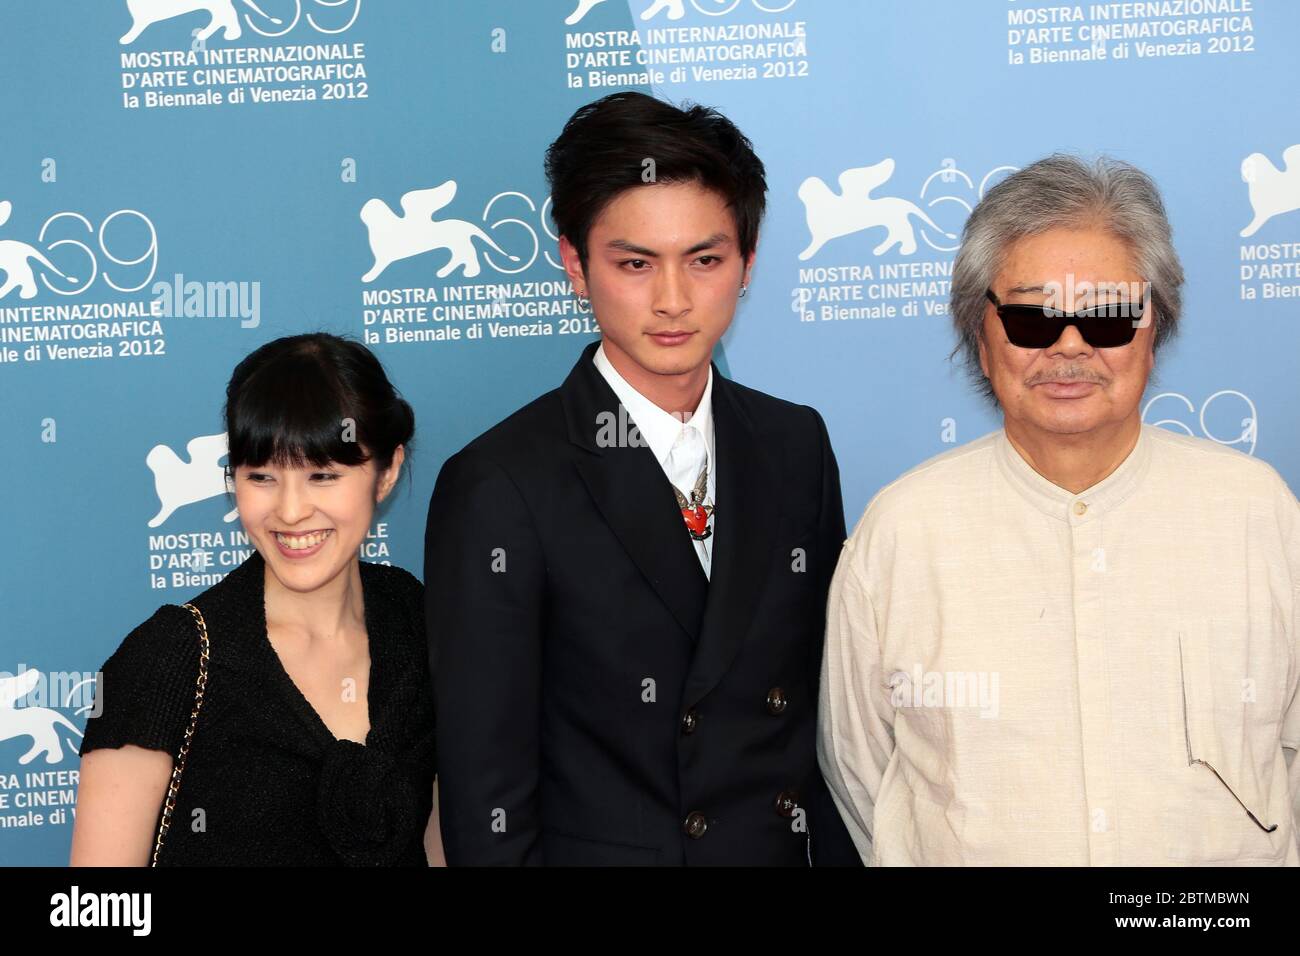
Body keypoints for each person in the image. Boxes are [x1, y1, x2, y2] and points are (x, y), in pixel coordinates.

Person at [818, 154, 1300, 865]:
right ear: (981, 340)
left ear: (1154, 331)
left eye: (1105, 317)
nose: (1070, 347)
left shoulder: (1260, 514)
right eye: (1033, 317)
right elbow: (861, 778)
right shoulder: (902, 533)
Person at [425, 91, 858, 866]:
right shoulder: (501, 483)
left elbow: (820, 721)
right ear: (575, 266)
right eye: (634, 263)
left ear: (748, 264)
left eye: (705, 259)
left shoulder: (796, 444)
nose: (672, 299)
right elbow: (485, 786)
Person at [72, 333, 442, 866]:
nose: (290, 512)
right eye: (262, 477)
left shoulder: (413, 617)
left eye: (323, 475)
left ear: (385, 473)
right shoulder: (171, 657)